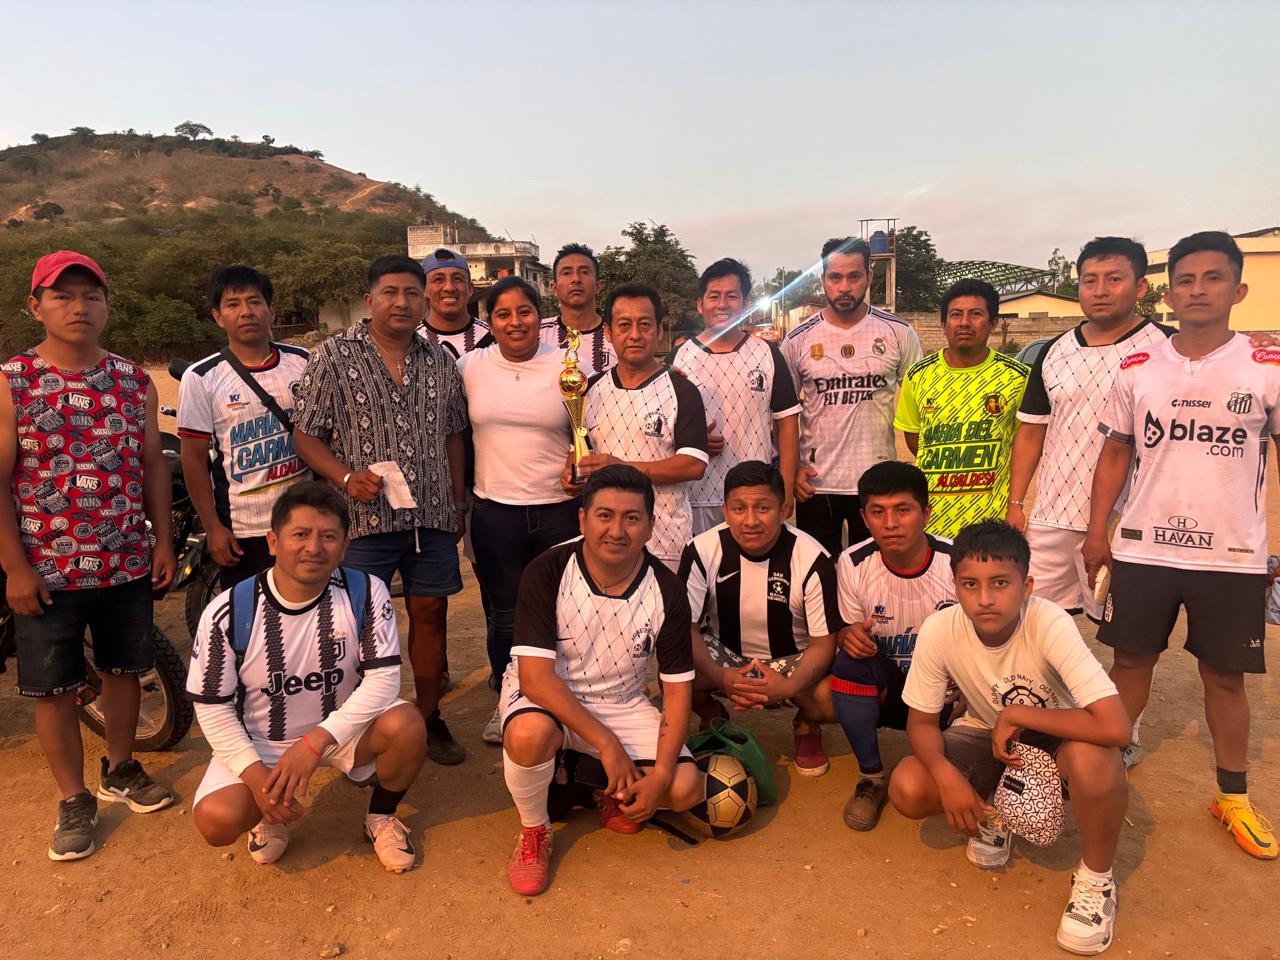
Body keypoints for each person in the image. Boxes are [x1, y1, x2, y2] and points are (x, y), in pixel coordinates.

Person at [1085, 230, 1279, 861]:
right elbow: (1116, 452)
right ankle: (1105, 769)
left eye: (1213, 278)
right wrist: (1097, 531)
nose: (1198, 291)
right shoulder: (1139, 367)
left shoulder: (1267, 365)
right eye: (1186, 281)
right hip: (1143, 549)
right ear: (1168, 294)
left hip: (1232, 556)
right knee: (1129, 665)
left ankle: (1233, 797)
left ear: (1238, 290)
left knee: (1224, 678)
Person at [0, 251, 177, 860]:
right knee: (52, 690)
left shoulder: (132, 380)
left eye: (91, 296)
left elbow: (152, 464)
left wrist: (162, 540)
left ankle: (121, 768)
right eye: (62, 296)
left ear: (106, 305)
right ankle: (74, 798)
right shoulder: (13, 380)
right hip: (46, 572)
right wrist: (15, 567)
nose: (79, 307)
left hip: (125, 561)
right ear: (36, 306)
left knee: (126, 671)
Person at [890, 522, 1130, 956]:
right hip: (986, 735)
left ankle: (1097, 881)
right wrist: (946, 775)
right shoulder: (940, 629)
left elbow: (1116, 727)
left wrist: (1018, 713)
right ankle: (999, 812)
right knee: (909, 785)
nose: (985, 598)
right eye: (970, 584)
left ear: (1026, 587)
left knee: (1098, 762)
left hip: (1059, 739)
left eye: (1000, 583)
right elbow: (921, 724)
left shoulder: (1048, 622)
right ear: (955, 587)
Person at [187, 481, 426, 873]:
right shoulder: (228, 611)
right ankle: (267, 816)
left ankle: (381, 816)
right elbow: (213, 708)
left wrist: (314, 742)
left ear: (344, 547)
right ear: (273, 542)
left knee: (407, 726)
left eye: (328, 536)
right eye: (300, 534)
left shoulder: (366, 591)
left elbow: (384, 681)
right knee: (217, 820)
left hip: (340, 733)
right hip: (263, 742)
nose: (314, 547)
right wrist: (256, 778)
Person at [292, 255, 469, 766]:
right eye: (390, 292)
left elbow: (454, 435)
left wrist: (458, 501)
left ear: (424, 302)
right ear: (369, 300)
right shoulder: (332, 357)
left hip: (431, 516)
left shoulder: (440, 361)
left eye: (412, 293)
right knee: (356, 622)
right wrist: (347, 478)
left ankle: (429, 715)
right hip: (361, 519)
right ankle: (357, 723)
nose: (402, 302)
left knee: (430, 613)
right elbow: (306, 435)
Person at [500, 465, 701, 896]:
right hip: (550, 696)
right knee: (529, 735)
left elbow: (677, 692)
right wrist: (608, 744)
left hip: (621, 700)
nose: (617, 530)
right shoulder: (548, 569)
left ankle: (587, 778)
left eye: (632, 518)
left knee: (684, 789)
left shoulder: (667, 589)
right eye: (604, 515)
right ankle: (535, 830)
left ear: (650, 526)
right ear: (582, 519)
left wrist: (661, 776)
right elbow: (535, 679)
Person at [1005, 239, 1171, 625]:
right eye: (1089, 280)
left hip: (1127, 518)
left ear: (1140, 287)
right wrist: (1016, 503)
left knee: (1123, 631)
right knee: (1033, 625)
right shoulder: (1054, 351)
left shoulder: (1168, 346)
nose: (1100, 290)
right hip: (1051, 517)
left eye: (1114, 279)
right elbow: (1031, 432)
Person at [456, 277, 581, 744]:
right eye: (503, 314)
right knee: (505, 614)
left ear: (539, 315)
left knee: (563, 612)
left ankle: (565, 702)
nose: (515, 322)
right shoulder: (469, 367)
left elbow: (589, 431)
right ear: (489, 321)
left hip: (559, 511)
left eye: (524, 311)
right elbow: (455, 435)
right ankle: (507, 700)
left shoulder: (569, 365)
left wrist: (578, 464)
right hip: (495, 513)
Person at [679, 461, 839, 777]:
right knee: (676, 669)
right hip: (727, 658)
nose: (751, 520)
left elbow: (824, 644)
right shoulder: (701, 550)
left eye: (763, 508)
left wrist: (787, 686)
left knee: (834, 697)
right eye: (739, 509)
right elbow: (688, 628)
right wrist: (721, 676)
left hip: (791, 660)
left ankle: (807, 723)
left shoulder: (812, 558)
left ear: (783, 510)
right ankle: (713, 716)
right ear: (726, 511)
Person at [830, 460, 959, 831]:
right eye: (878, 512)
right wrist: (847, 635)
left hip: (950, 698)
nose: (890, 523)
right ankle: (871, 777)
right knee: (848, 664)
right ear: (864, 517)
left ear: (926, 513)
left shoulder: (957, 561)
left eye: (903, 510)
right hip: (893, 693)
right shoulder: (853, 563)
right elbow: (849, 631)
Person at [781, 237, 922, 556]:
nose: (844, 287)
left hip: (877, 483)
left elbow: (920, 406)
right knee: (819, 576)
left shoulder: (899, 333)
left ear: (869, 277)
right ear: (823, 280)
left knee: (876, 573)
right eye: (835, 277)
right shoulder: (798, 339)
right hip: (816, 485)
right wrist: (791, 469)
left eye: (854, 276)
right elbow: (782, 416)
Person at [179, 266, 311, 591]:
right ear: (218, 316)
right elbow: (193, 458)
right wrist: (213, 527)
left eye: (254, 302)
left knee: (312, 609)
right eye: (233, 304)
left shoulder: (304, 362)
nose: (246, 312)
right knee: (250, 616)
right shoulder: (201, 377)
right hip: (244, 528)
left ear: (271, 310)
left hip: (305, 519)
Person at [564, 282, 708, 571]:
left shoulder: (682, 390)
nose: (634, 335)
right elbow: (578, 452)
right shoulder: (589, 390)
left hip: (665, 540)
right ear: (608, 332)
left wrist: (623, 468)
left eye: (644, 325)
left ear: (659, 330)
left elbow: (693, 465)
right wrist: (571, 475)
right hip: (605, 539)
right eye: (624, 325)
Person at [672, 259, 801, 535]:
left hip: (755, 497)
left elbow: (787, 422)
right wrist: (692, 441)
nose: (722, 304)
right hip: (693, 497)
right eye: (714, 296)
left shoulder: (767, 353)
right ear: (700, 304)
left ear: (745, 304)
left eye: (731, 296)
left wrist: (786, 485)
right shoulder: (679, 358)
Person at [895, 279, 1029, 539]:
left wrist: (1015, 506)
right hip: (933, 521)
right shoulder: (918, 375)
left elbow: (1025, 447)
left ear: (993, 323)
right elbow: (914, 437)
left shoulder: (1017, 377)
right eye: (956, 315)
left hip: (992, 521)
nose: (964, 323)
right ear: (943, 323)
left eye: (975, 314)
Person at [538, 243, 615, 377]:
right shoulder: (537, 334)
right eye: (567, 273)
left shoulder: (619, 334)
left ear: (598, 286)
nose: (576, 279)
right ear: (554, 288)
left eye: (584, 272)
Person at [414, 247, 492, 358]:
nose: (449, 288)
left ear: (470, 288)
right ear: (423, 289)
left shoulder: (494, 338)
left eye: (458, 279)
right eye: (438, 279)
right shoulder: (410, 342)